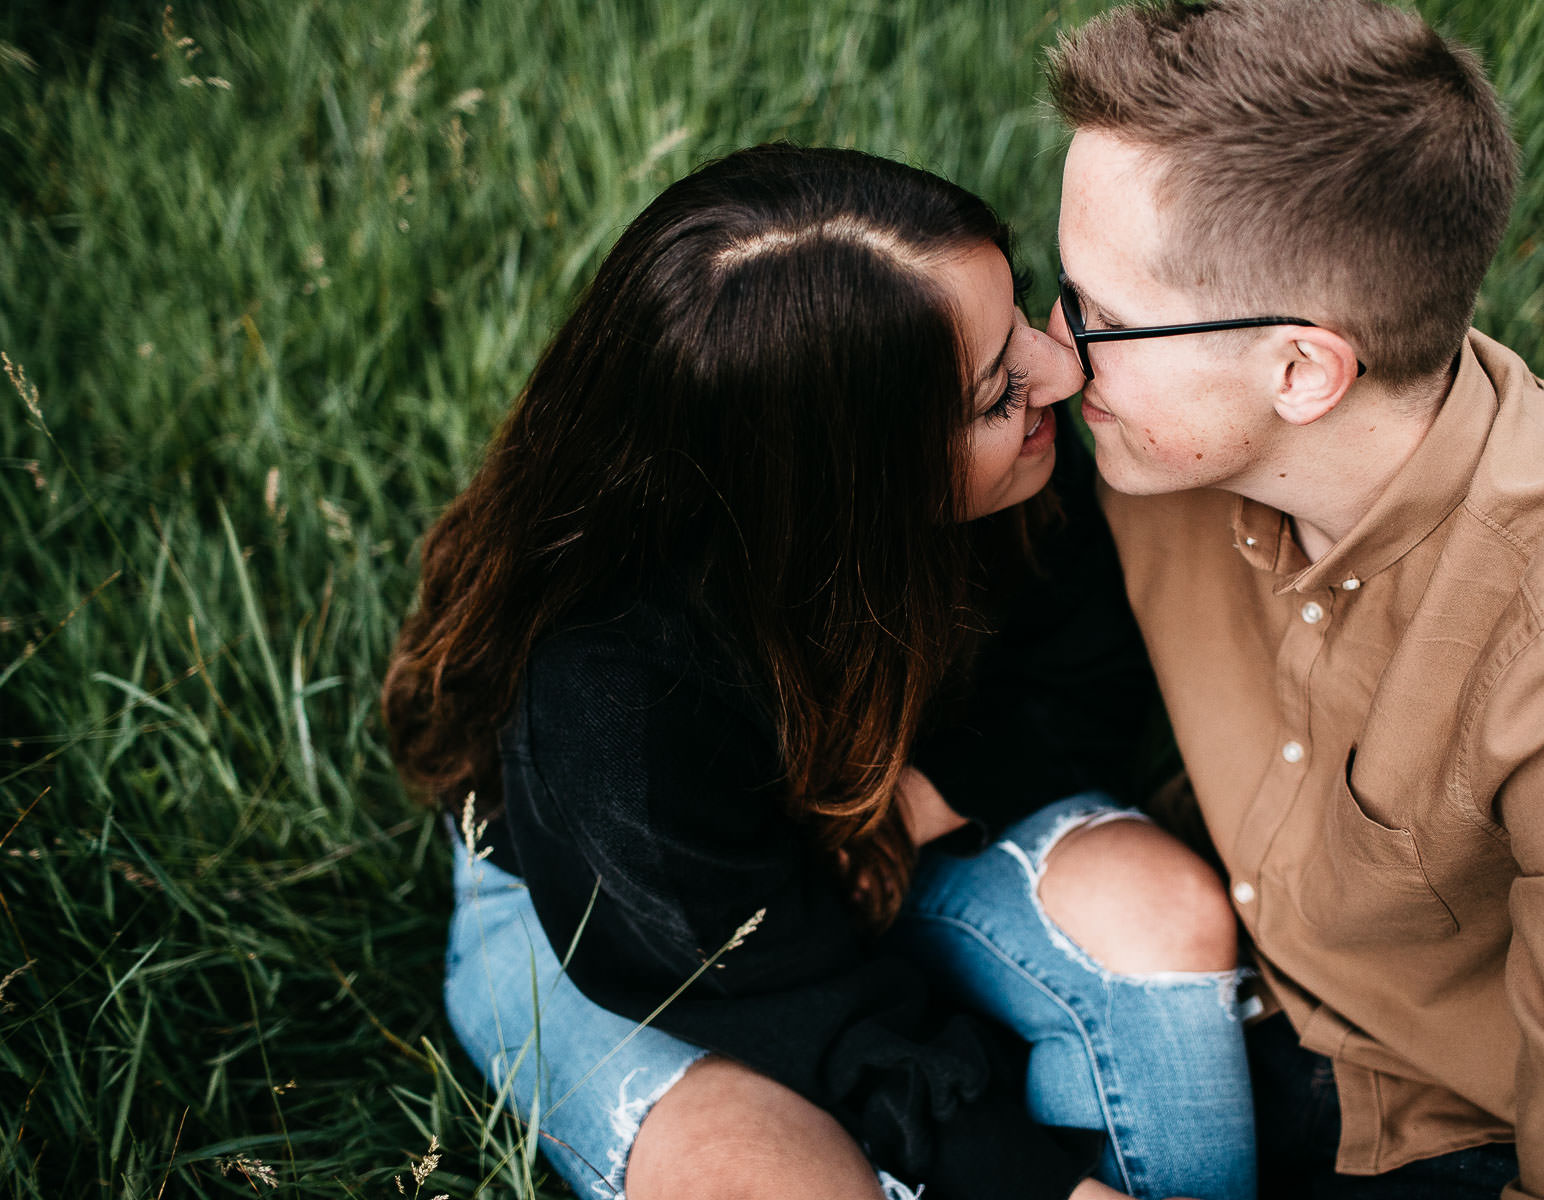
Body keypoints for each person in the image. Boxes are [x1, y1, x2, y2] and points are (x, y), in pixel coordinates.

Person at [382, 143, 1258, 1200]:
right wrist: (1033, 1184)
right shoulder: (608, 694)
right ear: (849, 485)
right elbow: (787, 1001)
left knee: (1162, 922)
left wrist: (924, 803)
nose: (1062, 370)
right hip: (630, 933)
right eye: (994, 393)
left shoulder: (1019, 453)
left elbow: (1084, 677)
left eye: (1021, 310)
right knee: (782, 1184)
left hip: (881, 810)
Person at [1042, 2, 1544, 1197]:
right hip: (1190, 983)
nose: (1055, 351)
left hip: (1442, 1141)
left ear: (1301, 370)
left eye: (1103, 318)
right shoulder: (1155, 443)